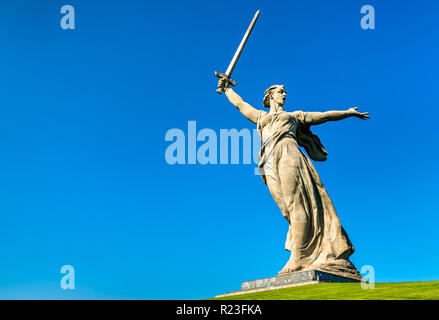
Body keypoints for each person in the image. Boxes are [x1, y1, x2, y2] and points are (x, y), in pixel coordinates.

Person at [217, 79, 369, 279]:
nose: (284, 95)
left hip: (289, 154)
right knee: (287, 210)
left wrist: (347, 112)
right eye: (280, 92)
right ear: (270, 95)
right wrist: (227, 89)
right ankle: (308, 251)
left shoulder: (294, 116)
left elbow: (323, 116)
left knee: (296, 204)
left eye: (284, 92)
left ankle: (297, 257)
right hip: (268, 161)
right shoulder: (261, 116)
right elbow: (240, 104)